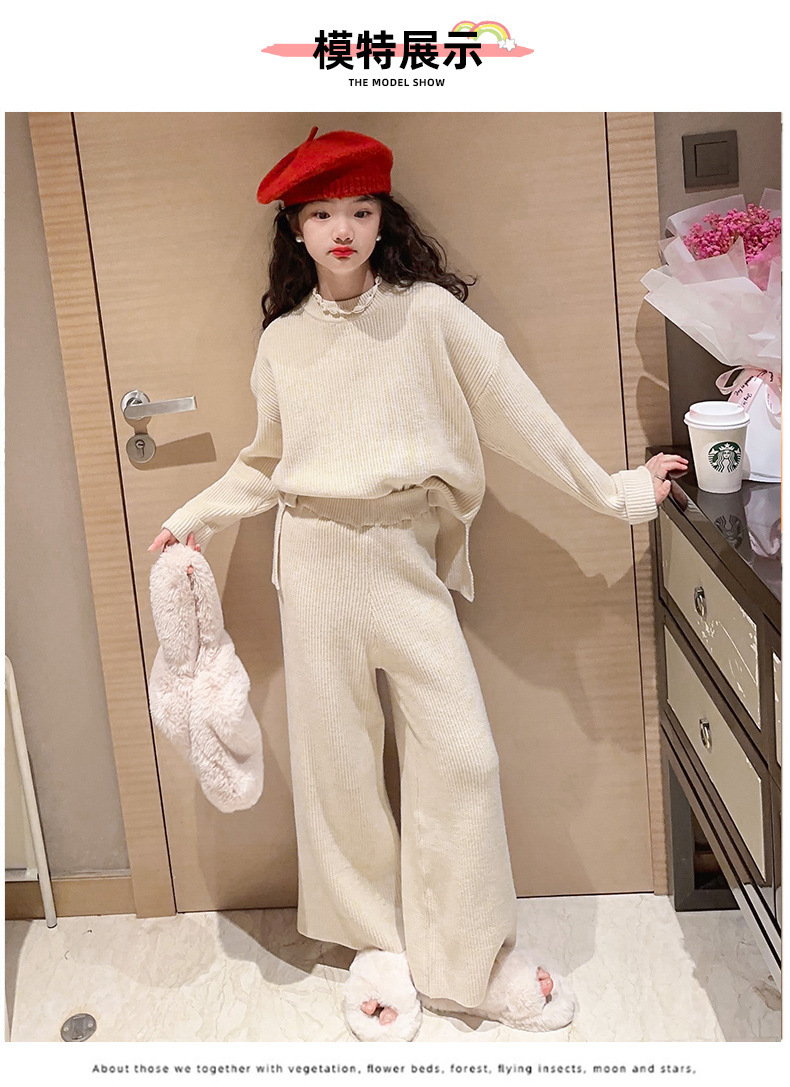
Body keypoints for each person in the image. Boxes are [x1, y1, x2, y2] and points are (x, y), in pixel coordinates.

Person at [148, 126, 687, 1040]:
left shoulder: (429, 315)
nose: (343, 230)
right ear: (296, 229)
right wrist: (194, 515)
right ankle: (378, 947)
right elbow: (267, 459)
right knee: (337, 767)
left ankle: (470, 957)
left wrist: (618, 491)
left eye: (360, 211)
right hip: (313, 561)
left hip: (402, 558)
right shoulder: (282, 341)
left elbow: (518, 410)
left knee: (463, 756)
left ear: (382, 219)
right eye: (323, 214)